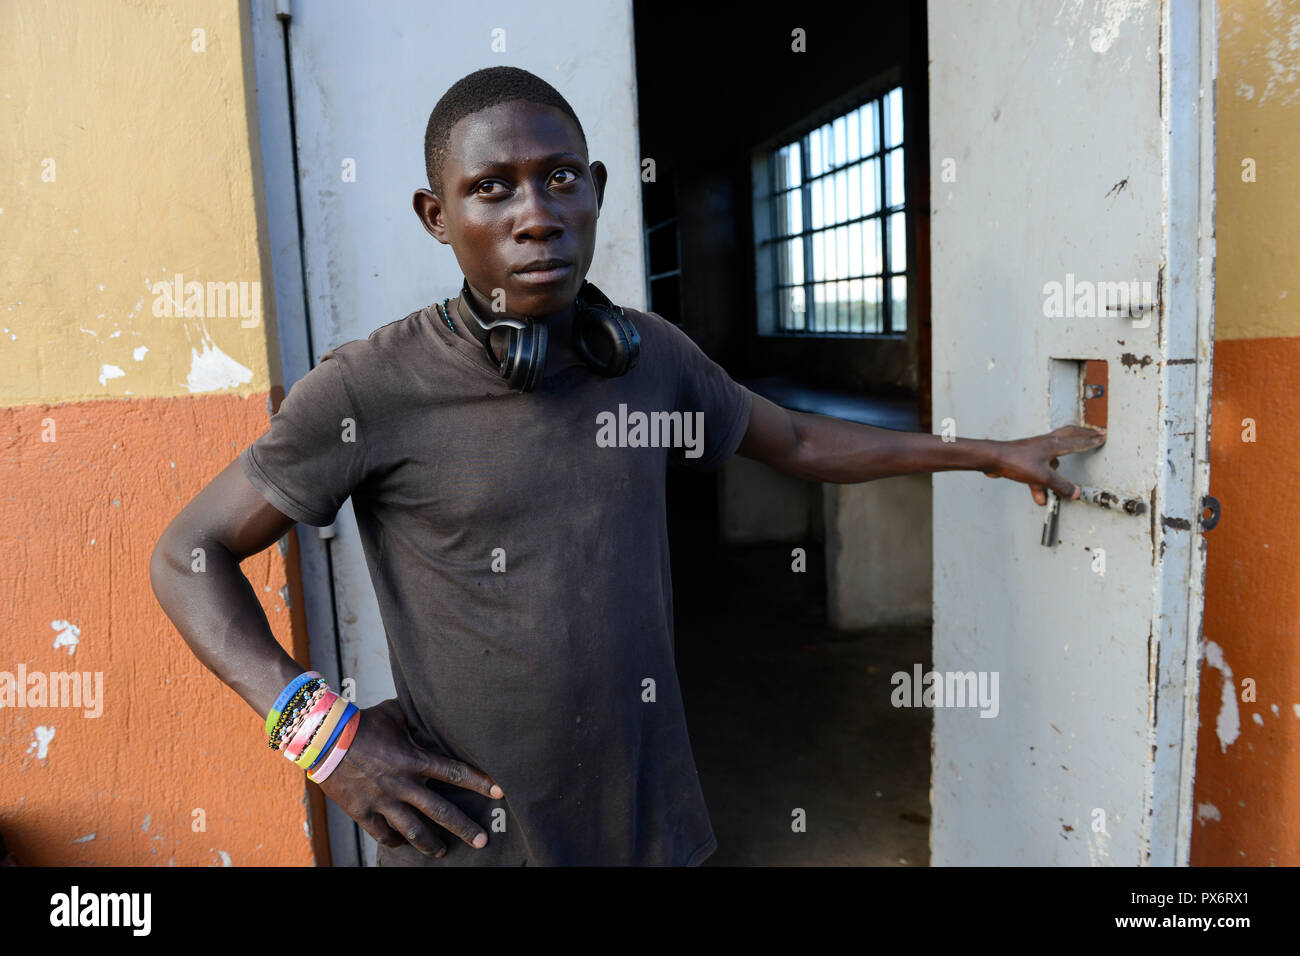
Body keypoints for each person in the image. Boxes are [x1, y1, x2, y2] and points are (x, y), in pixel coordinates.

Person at [149, 66, 1103, 866]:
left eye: (561, 178)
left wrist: (986, 454)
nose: (538, 216)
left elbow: (801, 443)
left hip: (654, 821)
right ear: (436, 217)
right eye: (493, 188)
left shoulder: (647, 355)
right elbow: (185, 555)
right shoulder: (369, 389)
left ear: (598, 187)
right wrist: (324, 739)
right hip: (474, 835)